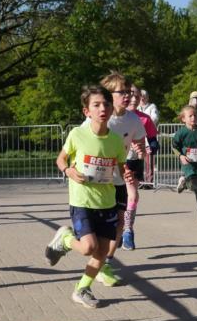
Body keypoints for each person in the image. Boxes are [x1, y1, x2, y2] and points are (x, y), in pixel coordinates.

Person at [45, 85, 132, 308]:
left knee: (102, 252)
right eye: (96, 105)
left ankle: (82, 289)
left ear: (112, 109)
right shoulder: (77, 134)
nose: (102, 108)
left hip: (107, 201)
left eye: (106, 104)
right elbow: (61, 159)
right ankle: (65, 238)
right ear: (87, 112)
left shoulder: (115, 140)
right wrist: (68, 171)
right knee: (88, 248)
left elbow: (121, 167)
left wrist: (128, 173)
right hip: (82, 201)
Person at [89, 72, 146, 257]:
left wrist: (140, 150)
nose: (128, 95)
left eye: (129, 91)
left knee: (121, 222)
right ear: (109, 95)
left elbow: (140, 142)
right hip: (98, 180)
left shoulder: (133, 119)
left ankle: (107, 261)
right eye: (122, 92)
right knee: (96, 231)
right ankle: (69, 240)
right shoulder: (99, 117)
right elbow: (81, 142)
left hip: (119, 178)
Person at [130, 86, 159, 188]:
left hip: (137, 156)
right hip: (119, 159)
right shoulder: (114, 115)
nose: (134, 100)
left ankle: (147, 182)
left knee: (132, 194)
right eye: (132, 96)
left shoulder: (145, 118)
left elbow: (152, 136)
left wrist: (153, 145)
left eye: (137, 97)